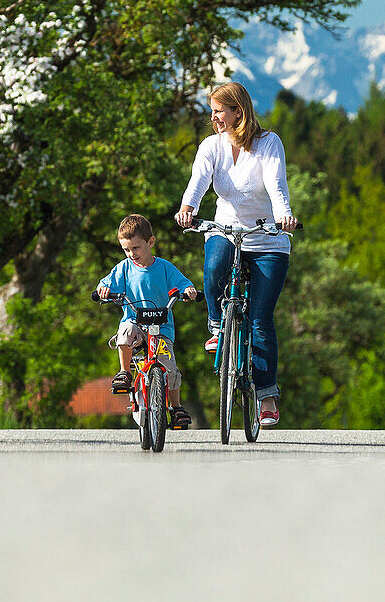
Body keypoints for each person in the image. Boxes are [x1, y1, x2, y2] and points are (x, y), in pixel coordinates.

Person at [175, 81, 298, 428]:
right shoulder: (211, 147)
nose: (212, 117)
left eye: (218, 110)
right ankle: (217, 325)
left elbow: (276, 184)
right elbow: (198, 182)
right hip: (227, 229)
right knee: (214, 266)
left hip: (267, 237)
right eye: (212, 110)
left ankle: (266, 397)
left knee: (260, 319)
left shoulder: (268, 143)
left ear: (237, 112)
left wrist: (283, 216)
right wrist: (188, 208)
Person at [96, 213, 199, 430]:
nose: (131, 254)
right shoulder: (124, 268)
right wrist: (103, 290)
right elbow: (106, 283)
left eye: (136, 248)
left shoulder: (164, 267)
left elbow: (182, 283)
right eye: (126, 249)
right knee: (124, 331)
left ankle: (176, 407)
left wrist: (188, 290)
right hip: (136, 323)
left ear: (150, 242)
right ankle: (125, 372)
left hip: (161, 328)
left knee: (170, 368)